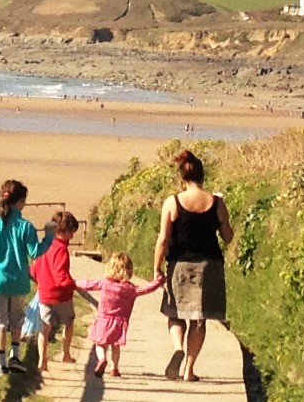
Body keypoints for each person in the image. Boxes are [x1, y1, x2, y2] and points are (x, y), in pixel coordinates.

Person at [151, 150, 233, 382]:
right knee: (199, 318)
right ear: (203, 176)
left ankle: (178, 347)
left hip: (179, 265)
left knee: (175, 313)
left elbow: (163, 239)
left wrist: (156, 267)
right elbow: (227, 236)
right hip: (209, 266)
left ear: (182, 178)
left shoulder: (173, 202)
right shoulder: (216, 202)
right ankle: (189, 368)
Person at [0, 180, 48, 376]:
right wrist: (49, 237)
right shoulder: (26, 227)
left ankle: (0, 363)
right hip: (19, 280)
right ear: (21, 201)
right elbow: (35, 252)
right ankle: (15, 357)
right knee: (16, 320)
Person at [80, 255, 162, 379]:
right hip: (120, 323)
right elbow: (146, 289)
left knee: (100, 344)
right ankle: (115, 369)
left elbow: (88, 284)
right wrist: (159, 280)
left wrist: (73, 283)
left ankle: (102, 359)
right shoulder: (131, 288)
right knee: (115, 346)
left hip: (103, 319)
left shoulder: (104, 283)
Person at [33, 210, 86, 369]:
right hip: (61, 295)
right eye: (72, 232)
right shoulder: (61, 249)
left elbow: (34, 268)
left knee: (44, 327)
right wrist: (73, 284)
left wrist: (39, 281)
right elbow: (60, 274)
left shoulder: (45, 245)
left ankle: (42, 360)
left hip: (44, 293)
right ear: (66, 231)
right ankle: (66, 354)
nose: (73, 236)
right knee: (69, 322)